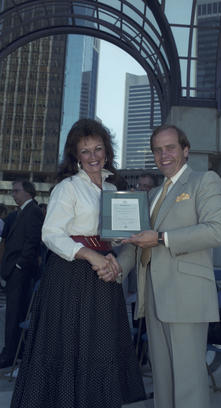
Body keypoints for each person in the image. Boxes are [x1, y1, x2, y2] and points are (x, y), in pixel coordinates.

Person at [10, 119, 145, 408]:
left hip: (104, 274)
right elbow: (51, 234)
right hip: (71, 275)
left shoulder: (112, 190)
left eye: (98, 149)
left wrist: (117, 252)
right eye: (85, 151)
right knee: (69, 345)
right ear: (76, 156)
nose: (93, 156)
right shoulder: (68, 188)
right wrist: (91, 254)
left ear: (107, 153)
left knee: (100, 346)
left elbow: (112, 236)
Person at [117, 124, 221, 408]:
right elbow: (138, 243)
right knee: (163, 381)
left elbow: (217, 231)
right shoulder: (153, 195)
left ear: (185, 150)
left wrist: (162, 237)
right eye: (158, 149)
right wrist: (116, 266)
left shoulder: (205, 181)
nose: (163, 155)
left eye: (170, 148)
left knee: (188, 383)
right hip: (154, 295)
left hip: (187, 296)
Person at [0, 180, 44, 369]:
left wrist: (19, 265)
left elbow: (32, 241)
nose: (13, 194)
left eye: (16, 191)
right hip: (16, 271)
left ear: (28, 193)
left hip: (21, 272)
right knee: (14, 313)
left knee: (15, 314)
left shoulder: (32, 211)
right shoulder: (21, 212)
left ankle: (10, 354)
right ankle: (12, 351)